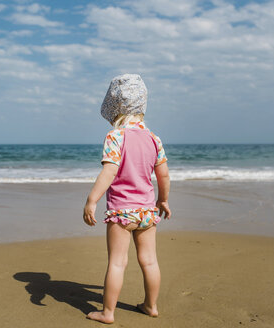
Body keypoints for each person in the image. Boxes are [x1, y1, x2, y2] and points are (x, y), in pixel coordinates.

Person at [83, 74, 171, 324]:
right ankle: (151, 306)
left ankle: (108, 312)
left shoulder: (116, 136)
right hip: (146, 212)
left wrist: (92, 200)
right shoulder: (154, 139)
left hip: (121, 213)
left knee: (117, 263)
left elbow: (109, 170)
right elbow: (163, 175)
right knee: (150, 260)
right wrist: (163, 200)